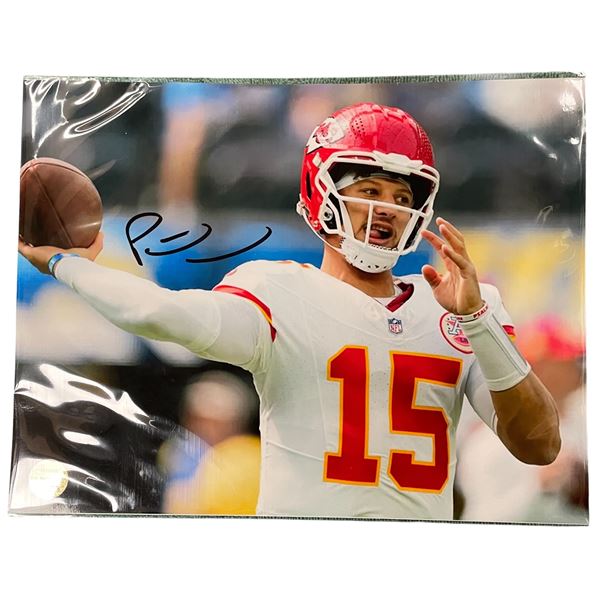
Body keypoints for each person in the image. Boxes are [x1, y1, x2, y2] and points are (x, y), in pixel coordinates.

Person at [18, 102, 561, 520]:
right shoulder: (279, 291)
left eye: (402, 197)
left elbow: (539, 446)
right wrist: (70, 266)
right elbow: (165, 314)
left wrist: (478, 323)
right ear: (322, 193)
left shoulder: (465, 308)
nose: (387, 210)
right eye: (370, 189)